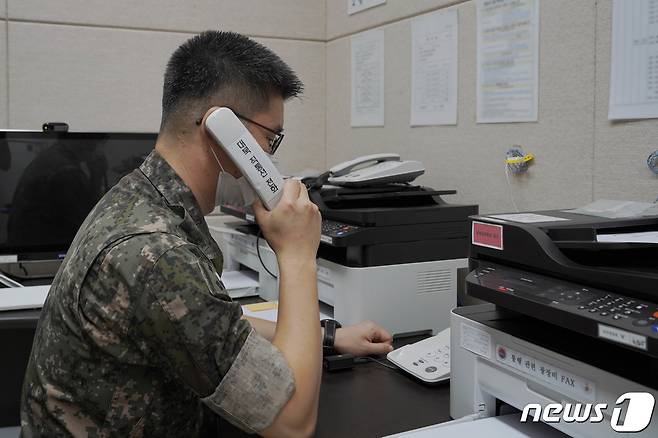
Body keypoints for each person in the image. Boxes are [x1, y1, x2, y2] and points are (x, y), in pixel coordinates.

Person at [20, 30, 394, 437]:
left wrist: (330, 336)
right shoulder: (157, 252)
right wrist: (298, 255)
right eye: (270, 139)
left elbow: (214, 324)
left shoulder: (140, 196)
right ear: (224, 130)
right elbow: (292, 423)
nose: (270, 157)